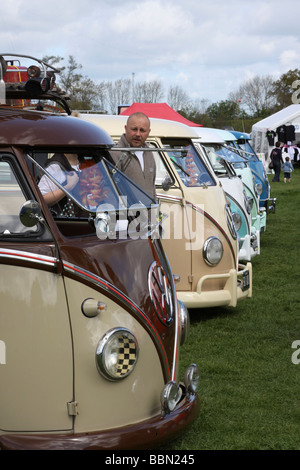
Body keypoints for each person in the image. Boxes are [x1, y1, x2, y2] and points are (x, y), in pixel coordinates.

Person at [111, 112, 156, 199]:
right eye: (134, 129)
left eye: (142, 130)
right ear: (126, 128)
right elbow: (110, 191)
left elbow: (152, 187)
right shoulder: (114, 153)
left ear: (148, 132)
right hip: (124, 211)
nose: (138, 134)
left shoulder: (149, 153)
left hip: (149, 211)